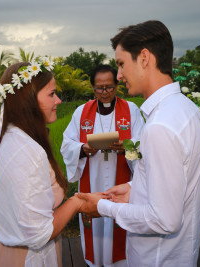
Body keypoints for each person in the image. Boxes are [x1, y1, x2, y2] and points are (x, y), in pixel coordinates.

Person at [77, 20, 200, 267]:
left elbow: (164, 220)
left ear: (145, 58)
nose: (119, 76)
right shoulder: (187, 109)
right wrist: (132, 188)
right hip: (178, 253)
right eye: (99, 88)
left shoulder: (156, 123)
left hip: (156, 258)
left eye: (122, 64)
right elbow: (170, 178)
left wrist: (104, 207)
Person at [0, 59, 84, 267]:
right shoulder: (28, 152)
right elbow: (39, 234)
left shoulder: (12, 137)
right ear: (27, 100)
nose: (58, 100)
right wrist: (77, 203)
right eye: (51, 94)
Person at [60, 64, 145, 267]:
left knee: (119, 221)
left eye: (109, 87)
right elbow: (66, 145)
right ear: (93, 88)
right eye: (99, 88)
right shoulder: (81, 112)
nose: (104, 92)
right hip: (92, 179)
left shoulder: (131, 110)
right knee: (95, 225)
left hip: (122, 181)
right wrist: (82, 149)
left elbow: (144, 147)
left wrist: (125, 148)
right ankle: (96, 262)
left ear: (117, 86)